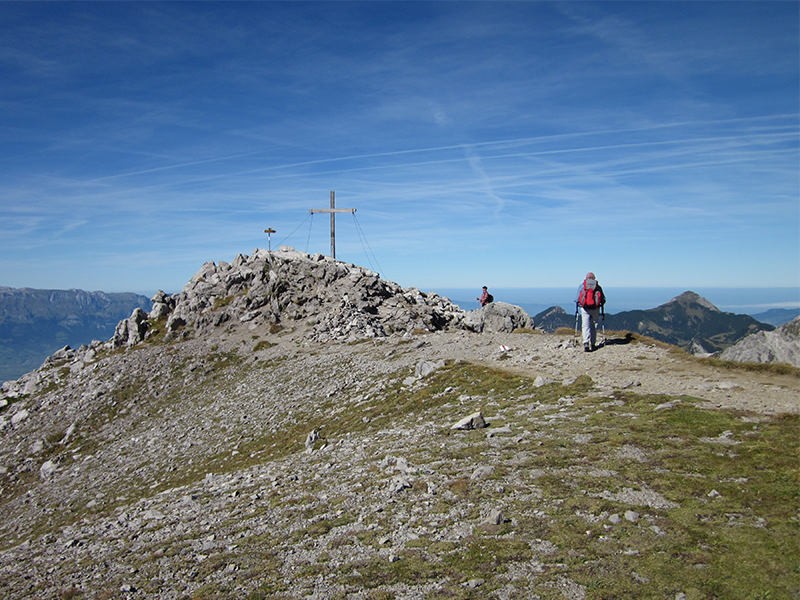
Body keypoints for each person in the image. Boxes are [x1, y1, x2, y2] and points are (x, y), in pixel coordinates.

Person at [576, 272, 605, 352]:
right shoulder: (598, 287)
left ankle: (586, 344)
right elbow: (603, 299)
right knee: (593, 326)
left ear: (586, 278)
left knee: (585, 326)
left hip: (585, 309)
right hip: (595, 309)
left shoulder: (582, 286)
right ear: (594, 278)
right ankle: (593, 344)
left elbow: (577, 299)